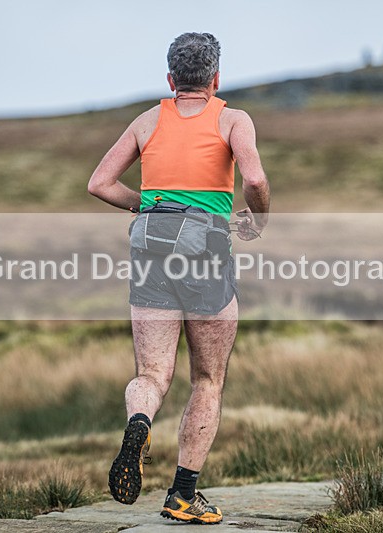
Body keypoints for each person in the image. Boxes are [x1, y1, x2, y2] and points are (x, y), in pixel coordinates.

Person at [88, 31, 270, 524]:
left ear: (171, 79)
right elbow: (253, 179)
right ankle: (183, 496)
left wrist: (145, 205)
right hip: (206, 252)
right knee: (207, 379)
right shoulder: (232, 118)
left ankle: (140, 422)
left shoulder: (148, 120)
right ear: (215, 78)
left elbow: (99, 183)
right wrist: (257, 220)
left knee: (151, 374)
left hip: (151, 248)